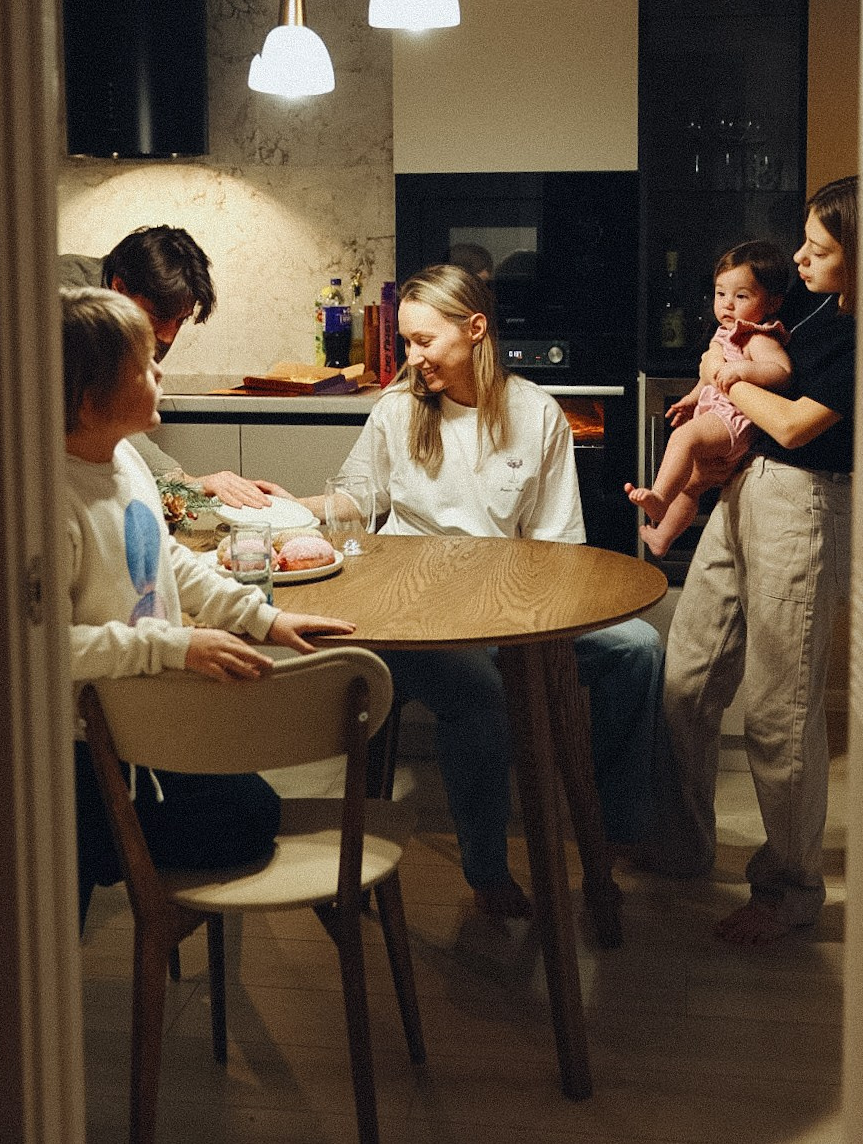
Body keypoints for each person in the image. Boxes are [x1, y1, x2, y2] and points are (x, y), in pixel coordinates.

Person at [273, 265, 664, 920]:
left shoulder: (536, 414)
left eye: (424, 341)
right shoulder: (397, 410)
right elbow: (356, 500)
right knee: (482, 697)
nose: (411, 357)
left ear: (475, 329)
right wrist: (290, 507)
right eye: (406, 341)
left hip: (507, 605)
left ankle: (613, 829)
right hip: (413, 617)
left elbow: (557, 545)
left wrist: (528, 617)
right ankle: (487, 872)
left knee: (638, 648)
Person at [62, 286, 355, 930]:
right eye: (144, 366)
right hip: (90, 748)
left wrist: (262, 617)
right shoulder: (53, 501)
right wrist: (176, 647)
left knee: (252, 812)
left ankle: (109, 856)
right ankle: (100, 851)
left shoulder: (125, 461)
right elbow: (48, 648)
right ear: (88, 400)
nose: (161, 373)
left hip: (153, 722)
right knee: (241, 819)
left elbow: (170, 560)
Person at [659, 177, 858, 946]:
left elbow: (799, 425)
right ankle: (683, 847)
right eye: (803, 242)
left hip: (804, 507)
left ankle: (788, 889)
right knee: (686, 679)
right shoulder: (812, 305)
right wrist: (719, 397)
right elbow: (741, 367)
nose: (799, 258)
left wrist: (722, 379)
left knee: (779, 712)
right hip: (748, 486)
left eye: (818, 248)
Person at [59, 225, 278, 508]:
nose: (168, 336)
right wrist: (183, 481)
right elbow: (111, 411)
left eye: (180, 320)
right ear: (119, 287)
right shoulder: (71, 305)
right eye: (160, 316)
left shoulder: (129, 317)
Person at [625, 239, 792, 557]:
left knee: (683, 438)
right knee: (690, 485)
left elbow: (782, 371)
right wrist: (692, 398)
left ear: (772, 302)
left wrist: (743, 370)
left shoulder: (756, 336)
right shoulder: (726, 332)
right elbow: (708, 378)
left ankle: (659, 497)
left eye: (741, 296)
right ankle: (663, 537)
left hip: (734, 421)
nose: (727, 304)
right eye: (720, 294)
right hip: (718, 415)